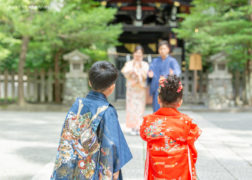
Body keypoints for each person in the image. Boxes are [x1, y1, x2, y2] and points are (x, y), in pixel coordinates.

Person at [51, 61, 132, 180]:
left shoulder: (77, 106)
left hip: (72, 166)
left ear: (89, 82)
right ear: (112, 87)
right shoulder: (107, 111)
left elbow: (66, 138)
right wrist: (114, 167)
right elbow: (110, 144)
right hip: (91, 169)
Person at [140, 75, 201, 180]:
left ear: (158, 99)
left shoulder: (149, 122)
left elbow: (144, 134)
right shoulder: (186, 122)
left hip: (157, 172)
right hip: (180, 172)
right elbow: (192, 143)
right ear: (180, 102)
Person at [121, 45, 149, 135]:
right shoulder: (129, 63)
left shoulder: (145, 64)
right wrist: (132, 72)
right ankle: (132, 127)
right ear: (133, 54)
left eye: (140, 54)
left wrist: (139, 73)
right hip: (132, 89)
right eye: (136, 53)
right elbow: (124, 72)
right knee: (131, 108)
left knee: (140, 107)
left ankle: (139, 126)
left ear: (142, 55)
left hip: (140, 89)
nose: (138, 55)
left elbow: (146, 75)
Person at [148, 40, 181, 112]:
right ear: (158, 50)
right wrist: (150, 75)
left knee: (168, 109)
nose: (162, 50)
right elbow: (150, 72)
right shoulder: (155, 61)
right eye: (160, 49)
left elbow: (177, 72)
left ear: (168, 49)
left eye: (164, 48)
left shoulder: (172, 61)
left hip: (168, 89)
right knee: (156, 109)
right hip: (157, 88)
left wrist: (172, 74)